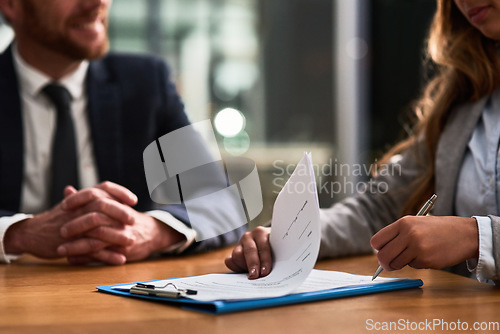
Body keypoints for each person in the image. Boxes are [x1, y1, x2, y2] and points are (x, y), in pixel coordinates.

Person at [225, 0, 500, 284]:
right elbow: (376, 211)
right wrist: (287, 235)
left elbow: (474, 236)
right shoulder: (466, 97)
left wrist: (478, 237)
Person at [0, 0, 244, 265]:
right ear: (12, 5)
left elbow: (221, 201)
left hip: (124, 290)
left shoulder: (146, 82)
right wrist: (18, 234)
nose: (99, 2)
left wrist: (154, 231)